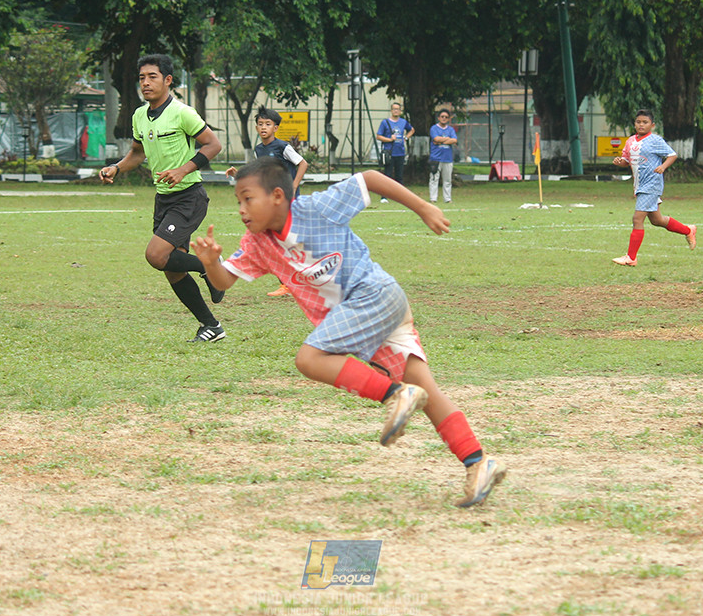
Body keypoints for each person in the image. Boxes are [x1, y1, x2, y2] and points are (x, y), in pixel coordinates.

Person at [191, 157, 508, 508]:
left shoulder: (317, 208)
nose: (241, 209)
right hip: (373, 314)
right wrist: (210, 264)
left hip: (373, 295)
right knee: (427, 391)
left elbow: (369, 177)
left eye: (247, 199)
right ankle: (479, 463)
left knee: (310, 358)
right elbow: (224, 282)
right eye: (238, 201)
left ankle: (395, 393)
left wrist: (422, 207)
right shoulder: (257, 245)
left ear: (278, 196)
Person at [100, 54, 226, 342]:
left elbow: (213, 144)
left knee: (156, 256)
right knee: (172, 270)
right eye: (142, 77)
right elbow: (138, 152)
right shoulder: (139, 116)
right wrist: (116, 167)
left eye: (152, 76)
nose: (146, 82)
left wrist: (184, 169)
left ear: (168, 80)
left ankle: (213, 268)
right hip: (164, 199)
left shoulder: (183, 112)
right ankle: (211, 326)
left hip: (189, 196)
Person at [226, 106, 308, 297]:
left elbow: (303, 163)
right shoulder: (259, 149)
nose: (264, 127)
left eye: (268, 124)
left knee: (283, 240)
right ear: (256, 128)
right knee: (277, 241)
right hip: (271, 200)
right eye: (261, 124)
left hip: (286, 199)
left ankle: (294, 281)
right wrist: (238, 174)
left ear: (276, 128)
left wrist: (294, 186)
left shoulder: (282, 147)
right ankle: (289, 283)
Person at [612, 109, 696, 267]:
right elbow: (626, 160)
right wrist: (619, 162)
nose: (641, 125)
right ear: (634, 124)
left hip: (652, 183)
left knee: (637, 219)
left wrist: (663, 167)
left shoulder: (656, 140)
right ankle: (688, 230)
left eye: (645, 122)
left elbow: (672, 155)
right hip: (639, 184)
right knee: (657, 220)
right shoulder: (630, 141)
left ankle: (631, 257)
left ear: (652, 125)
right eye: (638, 122)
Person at [376, 102, 414, 203]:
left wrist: (405, 137)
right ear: (391, 110)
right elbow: (378, 136)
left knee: (399, 176)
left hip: (400, 152)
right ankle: (384, 196)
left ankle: (400, 197)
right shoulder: (385, 122)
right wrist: (389, 139)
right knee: (387, 175)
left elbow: (412, 130)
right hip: (389, 152)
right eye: (394, 109)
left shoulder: (403, 122)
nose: (396, 111)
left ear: (400, 111)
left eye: (398, 109)